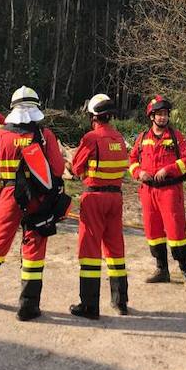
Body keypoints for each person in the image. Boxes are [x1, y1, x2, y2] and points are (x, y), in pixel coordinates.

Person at [0, 86, 66, 321]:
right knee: (34, 247)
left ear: (12, 108)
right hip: (39, 198)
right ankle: (28, 306)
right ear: (37, 108)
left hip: (8, 195)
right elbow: (57, 169)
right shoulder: (45, 135)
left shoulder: (0, 135)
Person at [68, 94, 129, 319]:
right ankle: (120, 301)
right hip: (116, 198)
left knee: (90, 251)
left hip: (94, 197)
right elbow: (124, 165)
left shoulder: (91, 138)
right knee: (115, 249)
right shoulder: (119, 138)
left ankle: (89, 306)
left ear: (93, 116)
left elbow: (76, 168)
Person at [128, 95, 186, 291]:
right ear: (151, 116)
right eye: (159, 114)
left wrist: (168, 170)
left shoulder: (176, 137)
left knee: (176, 232)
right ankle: (161, 270)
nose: (163, 118)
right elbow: (131, 161)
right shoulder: (142, 138)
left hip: (170, 191)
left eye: (165, 114)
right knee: (153, 231)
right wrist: (139, 173)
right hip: (148, 192)